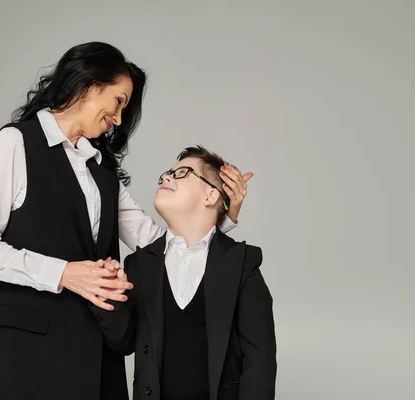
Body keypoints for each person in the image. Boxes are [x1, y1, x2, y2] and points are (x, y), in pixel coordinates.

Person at [0, 42, 253, 399]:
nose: (118, 118)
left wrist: (223, 216)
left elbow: (158, 247)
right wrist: (65, 273)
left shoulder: (102, 172)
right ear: (90, 84)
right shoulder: (15, 144)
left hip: (99, 351)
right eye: (119, 101)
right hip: (31, 351)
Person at [94, 146, 277, 400]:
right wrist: (110, 296)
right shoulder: (139, 265)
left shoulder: (242, 264)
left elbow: (260, 362)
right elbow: (124, 342)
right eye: (167, 174)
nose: (166, 177)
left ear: (210, 195)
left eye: (182, 173)